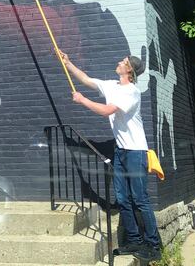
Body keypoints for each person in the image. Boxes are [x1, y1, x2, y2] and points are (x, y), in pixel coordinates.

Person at [58, 49, 162, 263]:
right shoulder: (112, 86)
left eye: (123, 62)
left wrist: (82, 100)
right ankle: (133, 240)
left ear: (130, 71)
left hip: (136, 152)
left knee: (140, 199)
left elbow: (107, 111)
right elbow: (86, 80)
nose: (119, 62)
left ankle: (153, 245)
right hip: (121, 152)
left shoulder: (132, 92)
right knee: (123, 199)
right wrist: (68, 63)